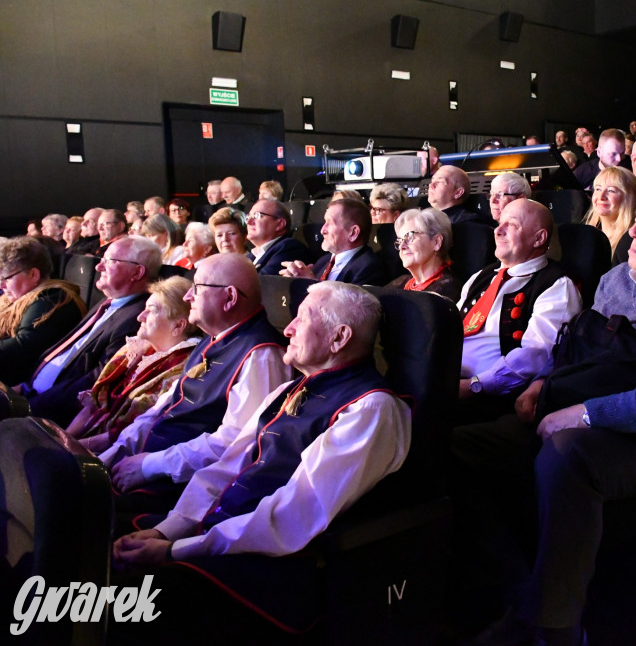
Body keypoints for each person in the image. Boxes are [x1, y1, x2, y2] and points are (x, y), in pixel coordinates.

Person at [455, 187, 636, 646]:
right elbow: (581, 353)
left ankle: (556, 625)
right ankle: (515, 587)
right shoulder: (616, 281)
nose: (633, 230)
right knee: (460, 447)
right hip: (574, 410)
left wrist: (586, 414)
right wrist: (543, 384)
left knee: (567, 452)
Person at [110, 283, 410, 640]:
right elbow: (224, 470)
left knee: (119, 601)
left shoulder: (370, 409)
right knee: (100, 526)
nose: (288, 328)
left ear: (339, 337)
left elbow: (291, 516)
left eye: (302, 318)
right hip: (217, 535)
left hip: (271, 568)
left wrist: (176, 550)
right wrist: (168, 530)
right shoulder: (290, 388)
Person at [99, 254, 291, 507]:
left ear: (230, 298)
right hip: (145, 464)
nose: (188, 297)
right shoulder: (212, 338)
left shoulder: (261, 355)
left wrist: (149, 466)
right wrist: (114, 453)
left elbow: (233, 447)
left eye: (197, 289)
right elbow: (162, 409)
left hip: (183, 490)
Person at [456, 199, 581, 421]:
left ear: (539, 238)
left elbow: (537, 356)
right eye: (499, 223)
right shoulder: (480, 276)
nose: (498, 230)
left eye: (512, 225)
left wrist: (473, 386)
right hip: (448, 377)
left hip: (491, 398)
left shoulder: (557, 286)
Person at [18, 236, 159, 424]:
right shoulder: (107, 303)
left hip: (51, 413)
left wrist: (29, 406)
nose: (98, 267)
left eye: (110, 261)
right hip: (30, 392)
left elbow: (99, 380)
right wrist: (24, 387)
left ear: (137, 272)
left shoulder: (138, 318)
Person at [67, 276, 201, 453]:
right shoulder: (135, 350)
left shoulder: (184, 369)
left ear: (178, 326)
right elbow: (94, 405)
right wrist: (65, 438)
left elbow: (135, 432)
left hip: (120, 455)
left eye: (151, 311)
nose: (140, 317)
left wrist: (71, 449)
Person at [0, 237, 86, 385]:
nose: (2, 285)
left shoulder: (52, 298)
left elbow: (24, 346)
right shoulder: (19, 298)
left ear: (34, 274)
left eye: (6, 278)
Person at [280, 197, 388, 285]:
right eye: (324, 222)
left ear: (353, 233)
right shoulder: (324, 261)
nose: (322, 230)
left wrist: (312, 283)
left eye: (330, 223)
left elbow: (350, 309)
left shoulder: (368, 267)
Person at [388, 208, 460, 300]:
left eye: (409, 237)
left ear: (436, 242)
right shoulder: (401, 282)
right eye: (400, 240)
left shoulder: (447, 288)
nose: (402, 246)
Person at [581, 165, 636, 265]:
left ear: (629, 199)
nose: (601, 196)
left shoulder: (633, 241)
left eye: (611, 191)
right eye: (598, 189)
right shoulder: (584, 235)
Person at [244, 198, 309, 275]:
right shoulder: (251, 256)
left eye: (256, 216)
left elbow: (261, 282)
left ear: (279, 224)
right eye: (248, 217)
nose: (249, 222)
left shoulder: (289, 247)